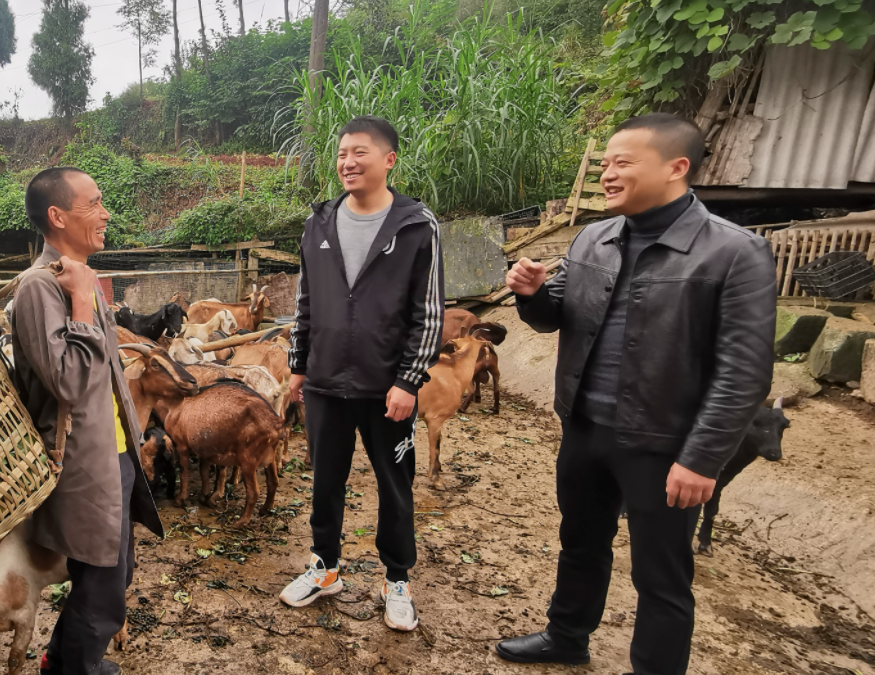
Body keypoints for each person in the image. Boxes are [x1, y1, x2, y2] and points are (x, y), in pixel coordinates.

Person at [494, 113, 776, 675]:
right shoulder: (593, 238)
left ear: (677, 168)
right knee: (580, 541)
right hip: (586, 428)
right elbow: (557, 317)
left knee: (661, 573)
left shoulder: (734, 252)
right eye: (605, 163)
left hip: (664, 442)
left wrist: (700, 459)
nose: (607, 173)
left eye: (623, 162)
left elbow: (744, 372)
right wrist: (530, 294)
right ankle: (567, 636)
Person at [280, 115, 444, 633]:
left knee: (395, 485)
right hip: (326, 382)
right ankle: (325, 567)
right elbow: (305, 301)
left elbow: (429, 311)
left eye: (360, 153)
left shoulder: (417, 226)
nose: (347, 163)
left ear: (389, 159)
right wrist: (298, 367)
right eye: (342, 153)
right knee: (325, 482)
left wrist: (409, 381)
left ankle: (397, 578)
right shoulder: (319, 223)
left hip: (387, 388)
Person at [9, 166, 165, 675]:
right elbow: (71, 385)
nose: (106, 213)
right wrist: (80, 297)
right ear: (57, 216)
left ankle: (72, 661)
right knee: (101, 589)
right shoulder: (40, 287)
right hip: (81, 465)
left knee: (115, 578)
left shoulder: (78, 277)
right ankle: (67, 668)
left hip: (113, 453)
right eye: (94, 204)